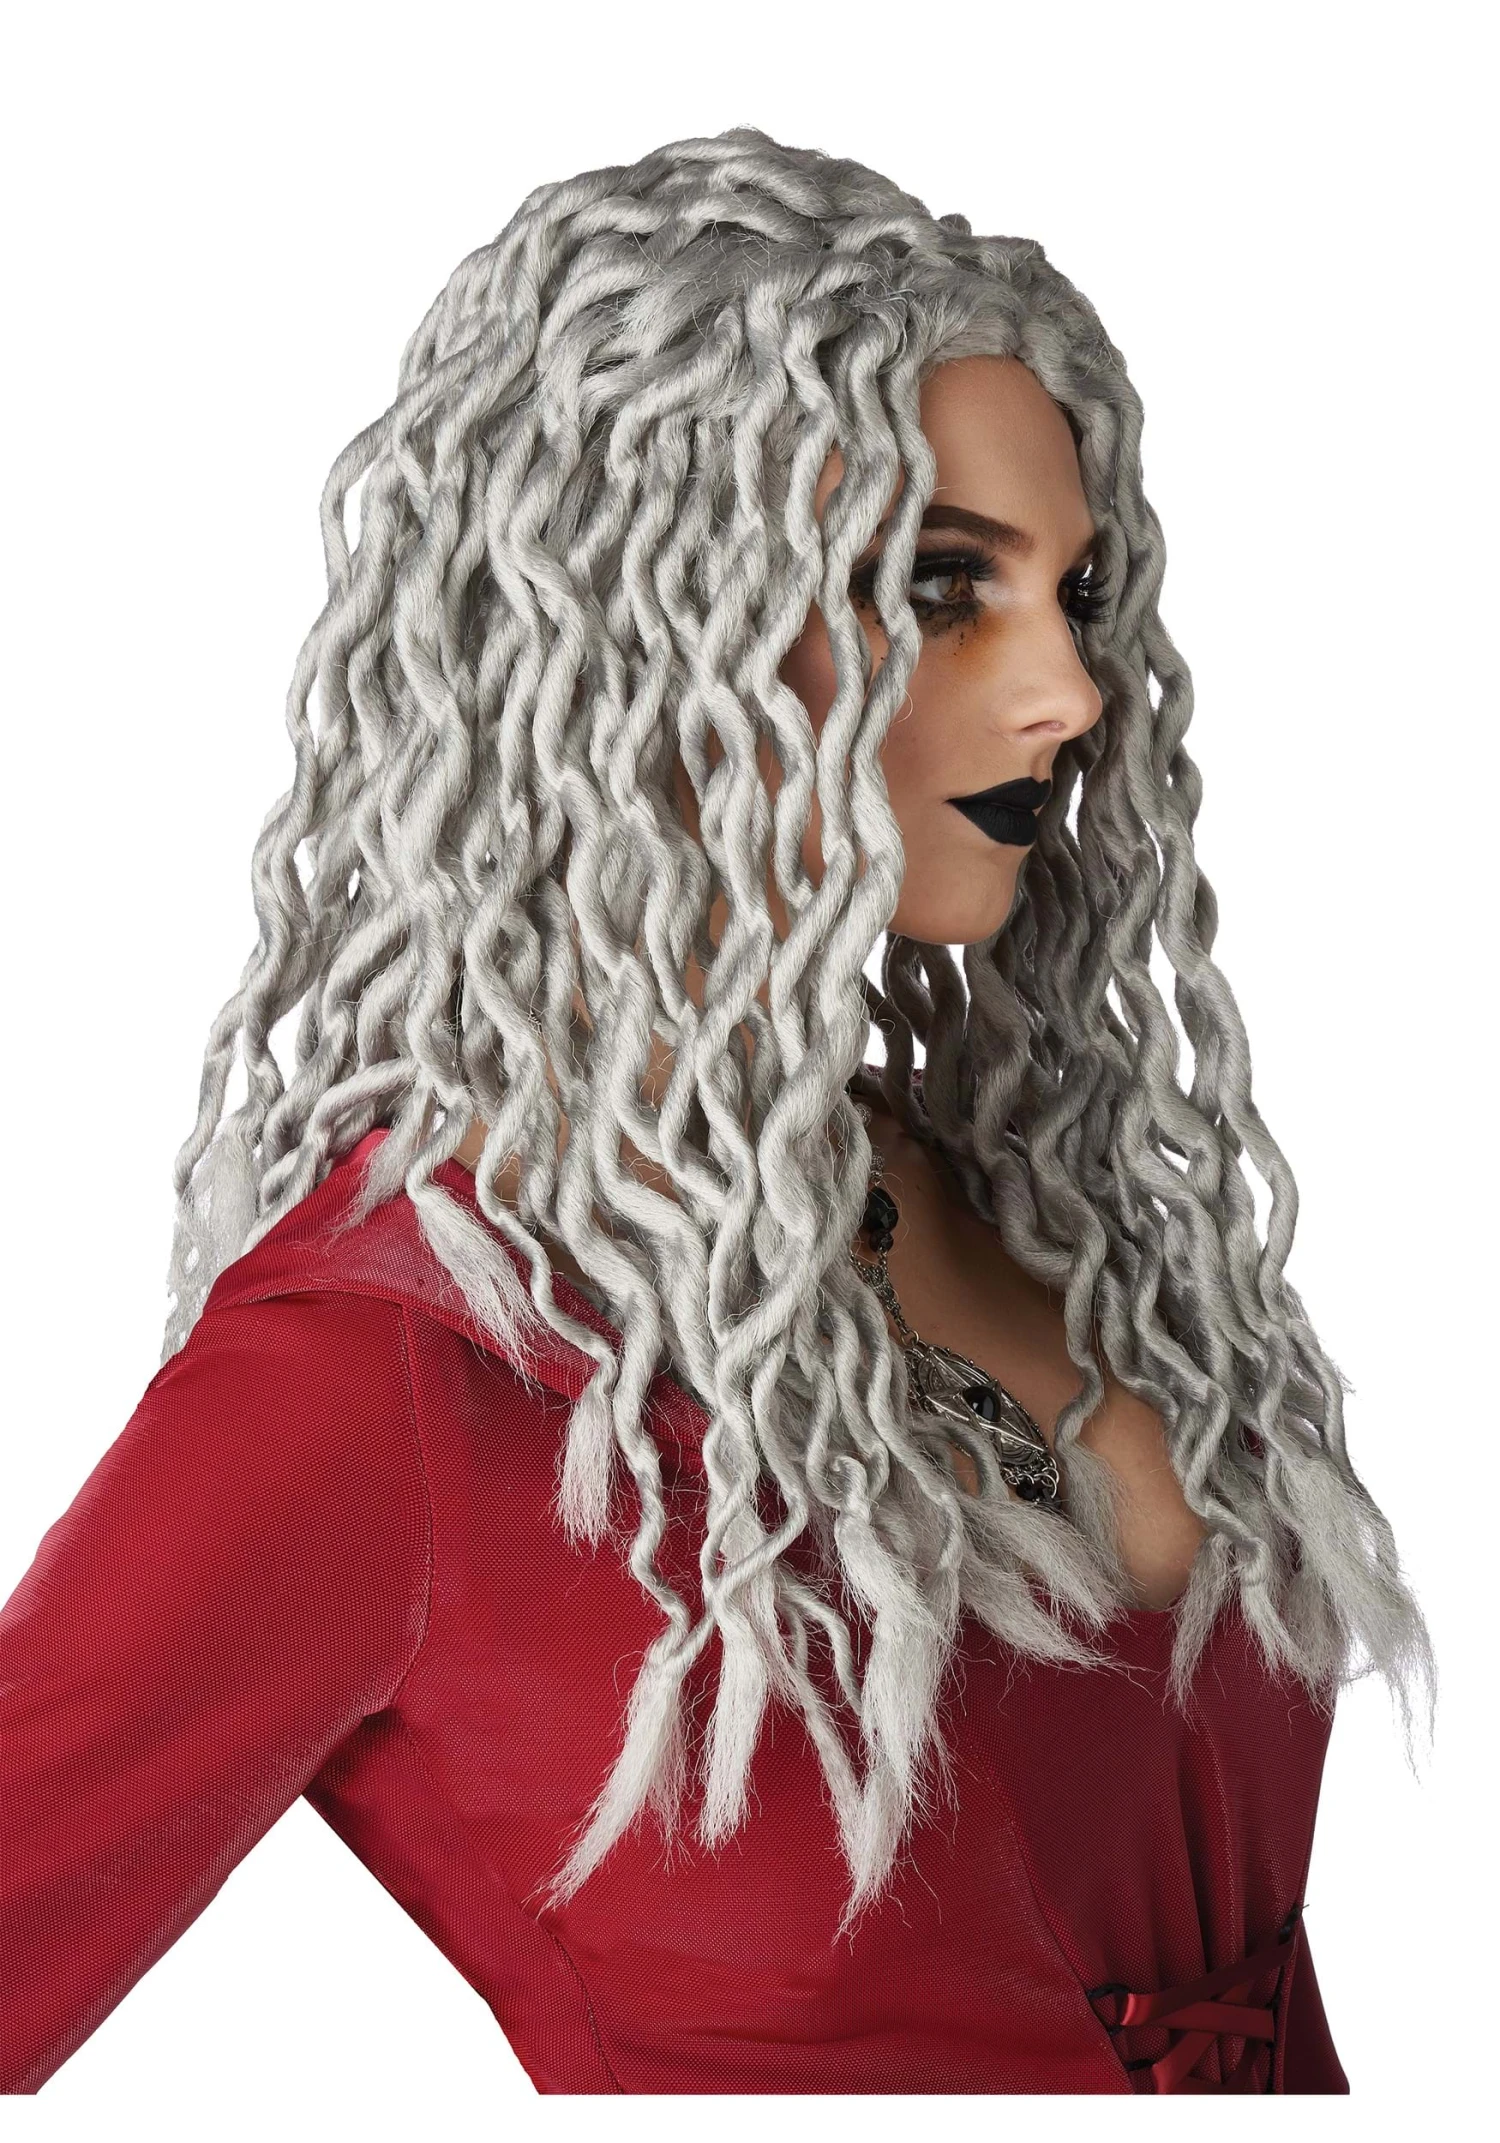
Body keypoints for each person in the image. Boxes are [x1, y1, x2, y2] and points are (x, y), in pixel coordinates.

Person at [0, 126, 1434, 2095]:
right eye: (943, 587)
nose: (1072, 691)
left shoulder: (1015, 1202)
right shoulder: (387, 1366)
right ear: (641, 621)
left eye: (1073, 592)